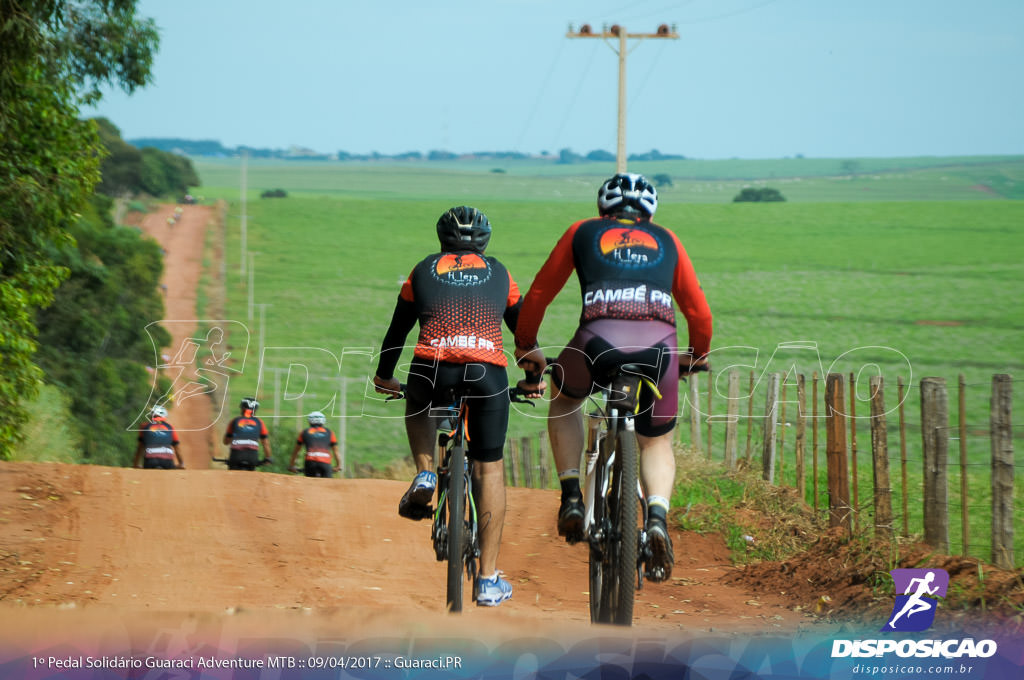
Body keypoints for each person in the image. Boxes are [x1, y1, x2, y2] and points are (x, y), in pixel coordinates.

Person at [514, 172, 712, 582]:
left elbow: (538, 294)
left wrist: (526, 345)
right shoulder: (668, 240)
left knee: (565, 399)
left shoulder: (581, 231)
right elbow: (699, 313)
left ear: (602, 208)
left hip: (596, 342)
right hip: (660, 348)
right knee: (655, 440)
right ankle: (656, 516)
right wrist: (696, 356)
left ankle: (571, 495)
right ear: (650, 212)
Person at [372, 206, 541, 608]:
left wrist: (384, 376)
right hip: (487, 373)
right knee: (489, 467)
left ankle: (426, 474)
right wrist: (533, 378)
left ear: (442, 238)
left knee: (417, 400)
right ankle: (488, 580)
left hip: (432, 368)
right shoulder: (501, 274)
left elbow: (397, 332)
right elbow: (524, 336)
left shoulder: (422, 270)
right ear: (485, 240)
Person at [222, 397, 273, 470]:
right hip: (252, 456)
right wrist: (268, 458)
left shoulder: (234, 421)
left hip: (236, 455)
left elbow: (226, 442)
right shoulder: (259, 422)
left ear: (242, 409)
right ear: (255, 410)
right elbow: (265, 443)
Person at [289, 411, 340, 477]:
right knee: (327, 484)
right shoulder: (330, 433)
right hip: (325, 462)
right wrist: (338, 465)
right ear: (323, 421)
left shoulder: (304, 432)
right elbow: (336, 452)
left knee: (309, 485)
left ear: (309, 421)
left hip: (310, 462)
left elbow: (296, 451)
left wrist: (292, 465)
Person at [134, 405, 185, 469]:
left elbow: (140, 447)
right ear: (164, 416)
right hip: (168, 462)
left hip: (150, 461)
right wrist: (181, 463)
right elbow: (177, 447)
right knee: (172, 468)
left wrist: (136, 464)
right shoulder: (170, 427)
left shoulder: (144, 426)